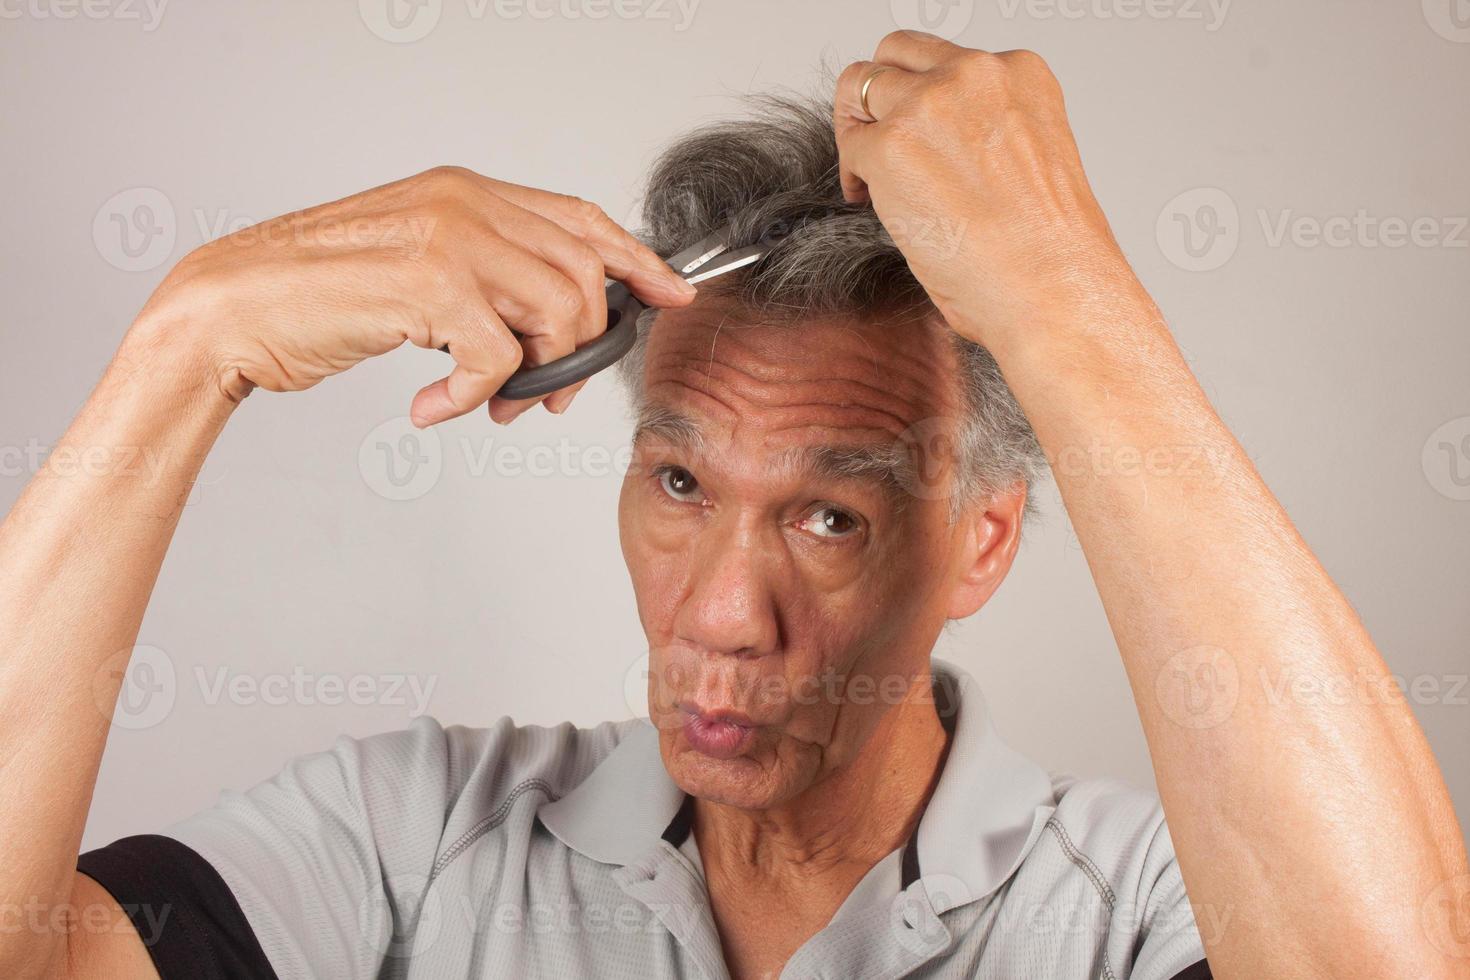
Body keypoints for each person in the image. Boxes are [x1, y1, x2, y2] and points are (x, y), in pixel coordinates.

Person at [1, 31, 1465, 980]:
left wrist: (1069, 300)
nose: (717, 613)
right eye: (681, 481)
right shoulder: (413, 835)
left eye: (831, 514)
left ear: (984, 539)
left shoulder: (1137, 904)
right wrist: (185, 346)